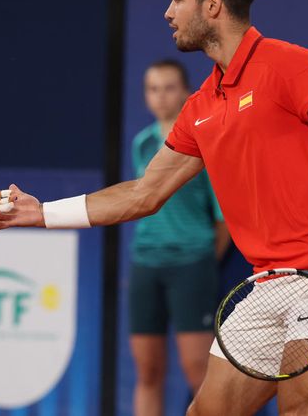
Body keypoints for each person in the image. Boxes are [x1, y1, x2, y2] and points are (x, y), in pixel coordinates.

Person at [0, 0, 308, 416]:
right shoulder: (201, 107)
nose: (168, 13)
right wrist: (40, 213)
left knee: (300, 409)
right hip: (268, 283)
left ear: (212, 5)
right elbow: (143, 194)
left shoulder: (289, 64)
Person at [128, 59, 229, 415]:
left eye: (169, 87)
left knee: (198, 371)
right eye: (153, 89)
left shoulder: (203, 142)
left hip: (192, 265)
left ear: (186, 93)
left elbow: (223, 219)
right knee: (148, 370)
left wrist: (200, 260)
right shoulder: (141, 144)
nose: (161, 97)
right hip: (145, 264)